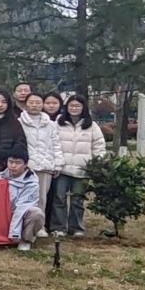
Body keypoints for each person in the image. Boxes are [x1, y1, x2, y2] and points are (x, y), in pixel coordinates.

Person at [52, 94, 106, 237]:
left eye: (77, 106)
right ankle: (59, 227)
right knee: (59, 198)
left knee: (78, 200)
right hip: (62, 169)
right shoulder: (58, 123)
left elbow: (99, 146)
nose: (74, 108)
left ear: (83, 108)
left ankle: (76, 228)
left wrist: (97, 163)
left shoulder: (92, 125)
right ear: (66, 107)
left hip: (82, 170)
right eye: (71, 105)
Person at [18, 90, 63, 236]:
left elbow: (56, 144)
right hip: (26, 167)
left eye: (38, 102)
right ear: (25, 104)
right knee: (25, 197)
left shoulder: (50, 124)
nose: (34, 105)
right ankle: (22, 225)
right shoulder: (19, 123)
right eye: (31, 102)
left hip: (45, 166)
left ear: (42, 104)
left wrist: (58, 163)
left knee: (42, 198)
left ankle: (40, 227)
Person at [0, 146, 44, 251]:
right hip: (1, 215)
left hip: (19, 215)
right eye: (10, 162)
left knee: (36, 213)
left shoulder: (32, 182)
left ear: (25, 165)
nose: (13, 166)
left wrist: (14, 233)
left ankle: (26, 240)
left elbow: (22, 207)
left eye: (17, 163)